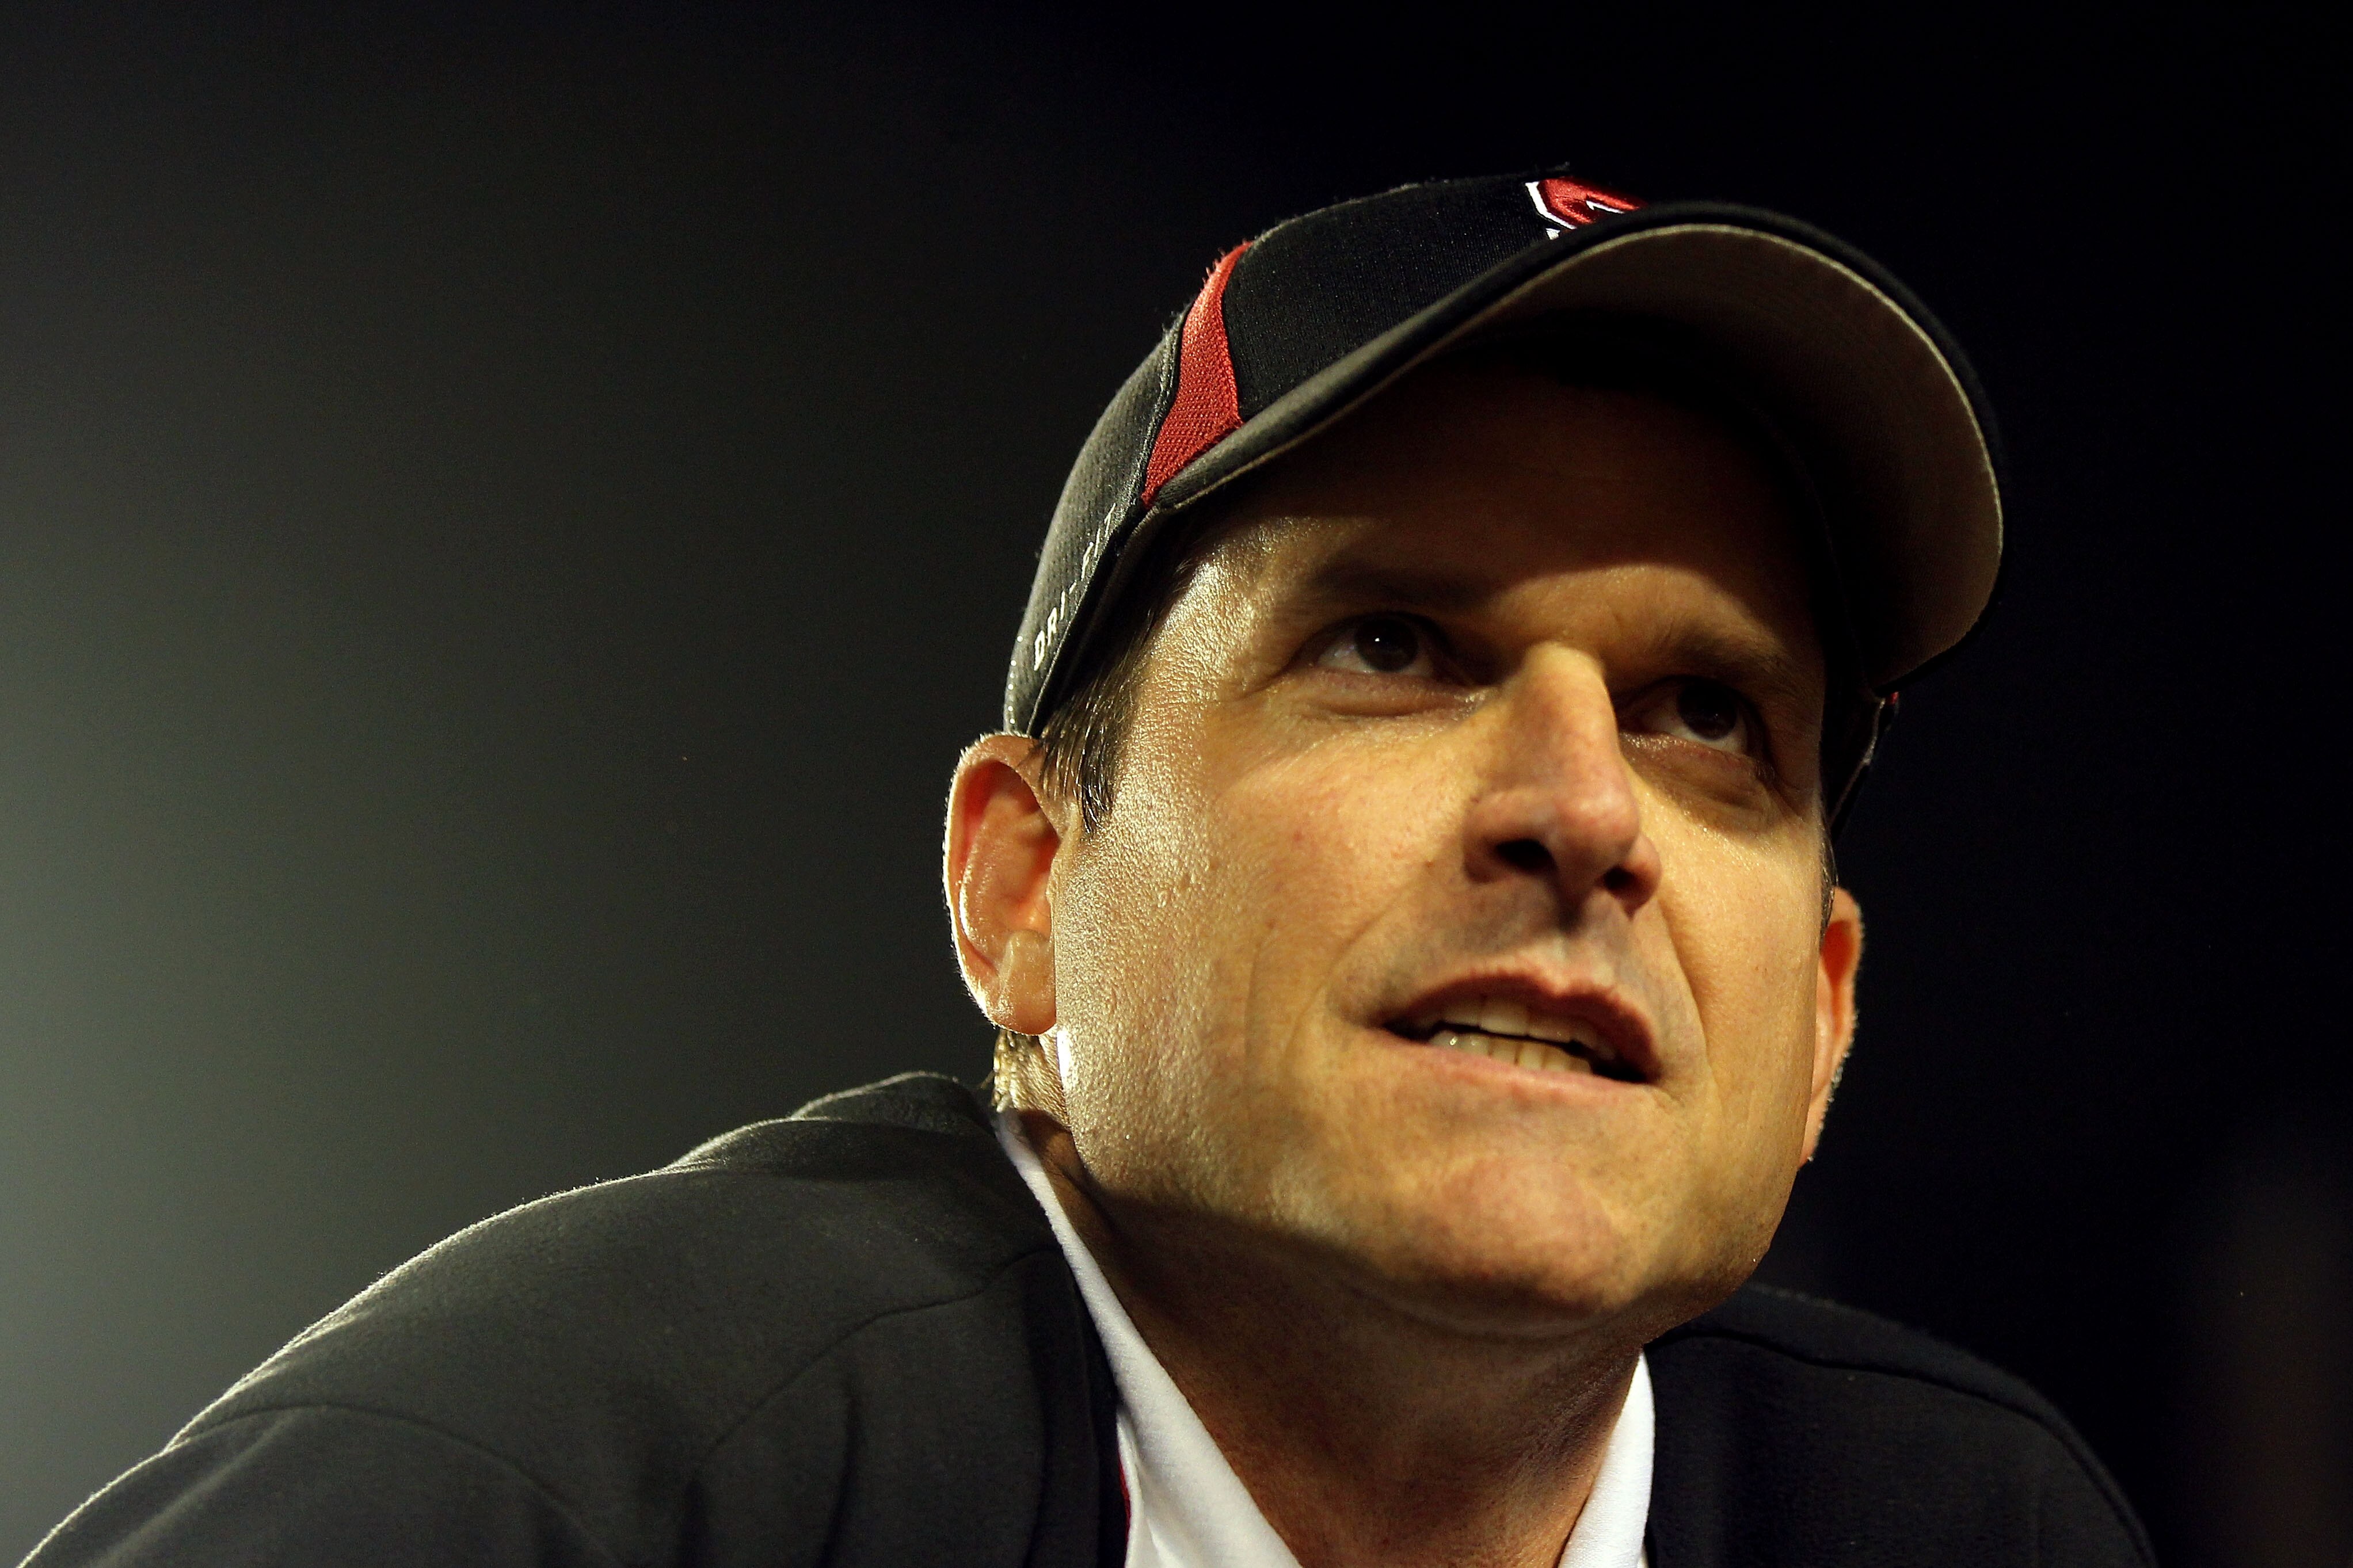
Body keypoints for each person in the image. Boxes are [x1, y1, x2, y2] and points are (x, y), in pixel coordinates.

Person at [22, 170, 2152, 1567]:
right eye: (1393, 649)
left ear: (1825, 1016)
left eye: (1707, 715)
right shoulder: (584, 1479)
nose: (1585, 812)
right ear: (1024, 890)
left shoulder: (1964, 1528)